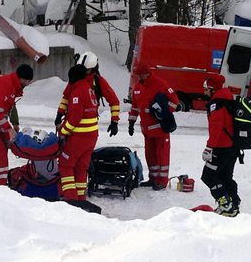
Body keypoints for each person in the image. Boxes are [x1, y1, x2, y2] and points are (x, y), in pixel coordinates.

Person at [127, 61, 179, 190]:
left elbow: (174, 102)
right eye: (138, 75)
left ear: (148, 73)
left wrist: (163, 113)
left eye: (142, 74)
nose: (140, 77)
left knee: (161, 155)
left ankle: (162, 181)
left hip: (160, 128)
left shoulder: (160, 84)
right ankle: (153, 178)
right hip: (147, 130)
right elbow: (135, 107)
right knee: (150, 155)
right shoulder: (137, 88)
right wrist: (131, 122)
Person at [200, 74, 241, 217]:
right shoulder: (227, 96)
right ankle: (234, 203)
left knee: (208, 176)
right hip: (232, 146)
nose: (204, 91)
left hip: (221, 147)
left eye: (205, 88)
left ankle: (225, 204)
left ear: (212, 88)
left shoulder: (216, 102)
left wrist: (209, 147)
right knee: (225, 176)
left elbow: (217, 127)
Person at [58, 64, 99, 201]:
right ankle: (81, 198)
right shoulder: (88, 89)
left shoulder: (78, 92)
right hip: (91, 137)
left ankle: (71, 199)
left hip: (79, 137)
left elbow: (75, 118)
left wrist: (63, 131)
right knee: (81, 168)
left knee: (65, 164)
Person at [55, 52, 120, 137]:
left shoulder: (99, 82)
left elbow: (114, 101)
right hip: (70, 123)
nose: (84, 72)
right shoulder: (75, 79)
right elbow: (66, 98)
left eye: (87, 70)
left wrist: (114, 121)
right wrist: (59, 115)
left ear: (93, 69)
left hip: (87, 128)